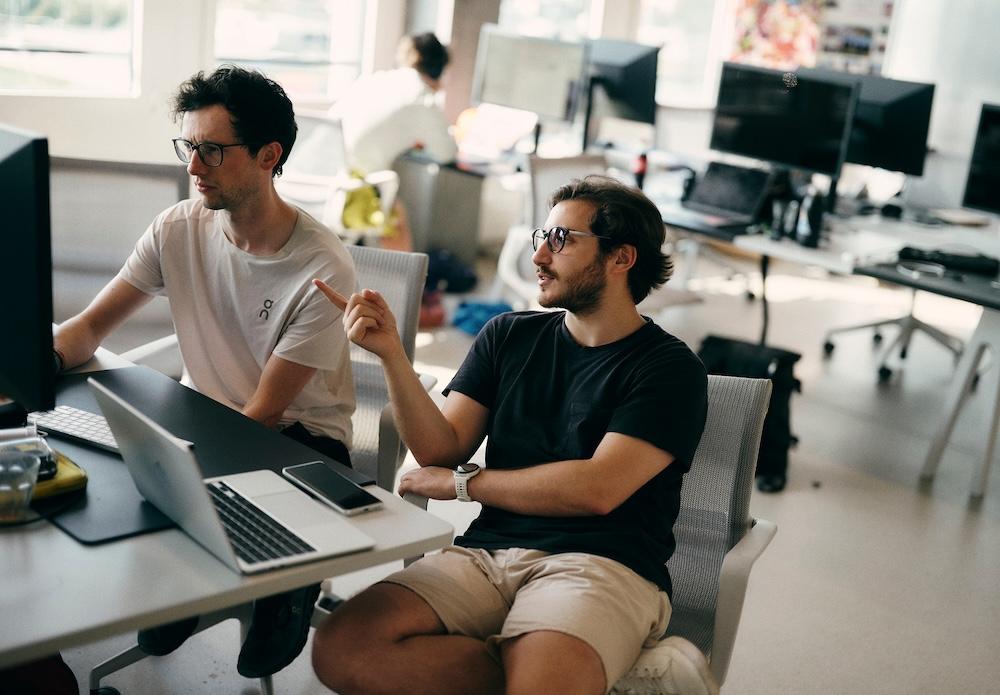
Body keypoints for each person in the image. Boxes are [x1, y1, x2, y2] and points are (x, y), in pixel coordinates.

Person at [310, 175, 719, 695]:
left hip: (603, 564)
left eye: (562, 240)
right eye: (541, 238)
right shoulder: (507, 335)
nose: (540, 257)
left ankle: (566, 670)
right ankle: (612, 677)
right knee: (342, 646)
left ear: (621, 258)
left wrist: (463, 485)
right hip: (487, 554)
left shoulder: (670, 368)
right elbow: (440, 449)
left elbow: (596, 490)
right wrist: (392, 354)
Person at [53, 65, 356, 678]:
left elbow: (263, 416)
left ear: (269, 156)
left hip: (295, 442)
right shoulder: (177, 228)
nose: (193, 166)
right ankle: (198, 578)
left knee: (164, 490)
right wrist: (33, 362)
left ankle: (287, 583)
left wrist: (180, 475)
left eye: (212, 150)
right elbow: (88, 329)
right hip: (203, 415)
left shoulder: (321, 266)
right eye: (190, 147)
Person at [328, 32, 458, 250]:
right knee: (397, 214)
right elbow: (447, 153)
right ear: (439, 70)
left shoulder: (373, 79)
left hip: (321, 180)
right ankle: (403, 281)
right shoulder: (422, 98)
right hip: (350, 193)